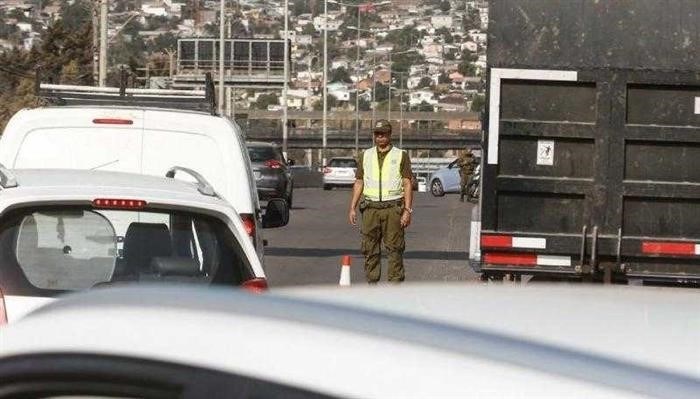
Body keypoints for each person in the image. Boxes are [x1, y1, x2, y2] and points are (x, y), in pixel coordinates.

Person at [348, 120, 414, 283]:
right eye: (377, 134)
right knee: (369, 249)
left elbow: (407, 183)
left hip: (393, 209)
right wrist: (352, 207)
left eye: (383, 134)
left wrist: (407, 210)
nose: (380, 137)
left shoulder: (400, 155)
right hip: (370, 209)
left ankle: (394, 287)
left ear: (390, 135)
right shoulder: (365, 155)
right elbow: (359, 182)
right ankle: (372, 284)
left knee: (395, 249)